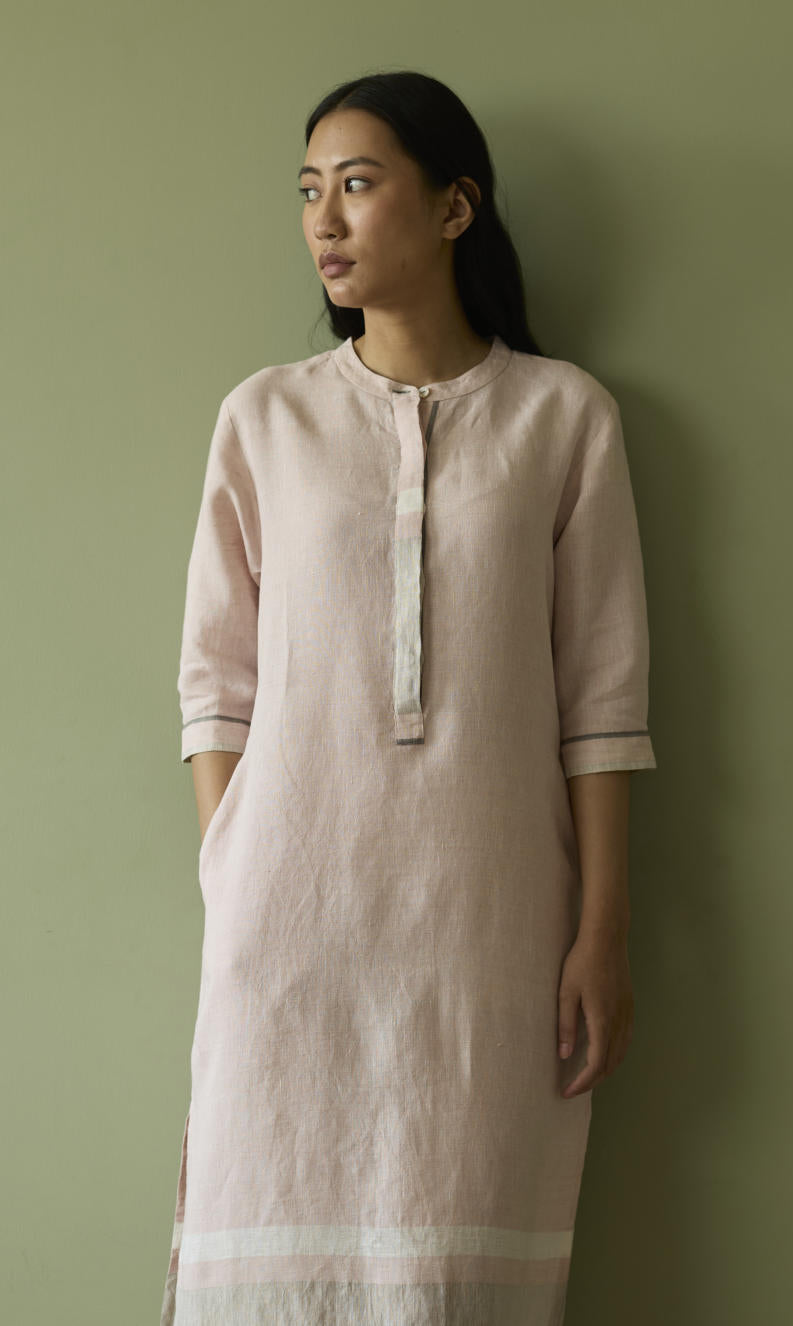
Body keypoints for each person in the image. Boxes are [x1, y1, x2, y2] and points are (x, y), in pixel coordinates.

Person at [161, 69, 657, 1326]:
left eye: (357, 184)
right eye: (308, 192)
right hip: (289, 921)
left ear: (453, 208)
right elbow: (216, 683)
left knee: (453, 1271)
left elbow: (602, 699)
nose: (323, 220)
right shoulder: (265, 418)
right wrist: (233, 871)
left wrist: (601, 927)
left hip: (490, 926)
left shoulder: (562, 419)